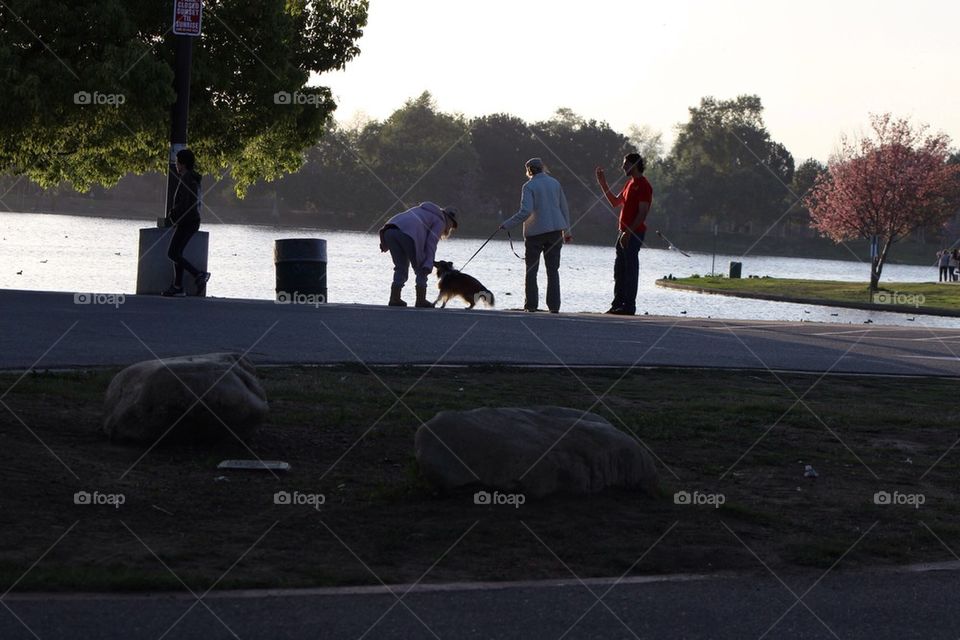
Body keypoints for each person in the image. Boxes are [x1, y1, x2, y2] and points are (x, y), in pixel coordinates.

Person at [499, 158, 572, 313]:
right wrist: (567, 231)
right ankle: (554, 307)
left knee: (531, 270)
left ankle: (531, 305)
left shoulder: (529, 186)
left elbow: (526, 211)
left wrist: (507, 224)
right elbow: (564, 207)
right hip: (556, 231)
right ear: (542, 168)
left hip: (536, 233)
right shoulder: (555, 183)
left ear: (529, 170)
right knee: (553, 270)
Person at [595, 153, 652, 315]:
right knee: (619, 270)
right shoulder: (629, 183)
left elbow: (642, 213)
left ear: (635, 165)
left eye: (626, 164)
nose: (623, 167)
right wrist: (603, 184)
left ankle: (629, 306)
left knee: (630, 270)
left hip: (633, 234)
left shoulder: (643, 185)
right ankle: (617, 304)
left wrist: (628, 232)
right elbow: (615, 202)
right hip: (622, 232)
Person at [379, 202, 458, 307]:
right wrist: (428, 264)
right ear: (449, 220)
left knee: (400, 267)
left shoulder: (422, 210)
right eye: (452, 225)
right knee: (422, 267)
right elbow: (431, 243)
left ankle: (395, 298)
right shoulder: (440, 221)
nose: (450, 228)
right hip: (408, 235)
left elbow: (403, 223)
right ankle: (421, 300)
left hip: (390, 231)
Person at [162, 148, 210, 297]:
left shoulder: (187, 178)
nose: (176, 165)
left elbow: (186, 202)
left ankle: (198, 275)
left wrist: (173, 214)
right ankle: (178, 287)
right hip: (190, 221)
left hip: (187, 221)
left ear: (183, 164)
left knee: (172, 253)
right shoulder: (191, 178)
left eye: (177, 162)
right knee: (177, 253)